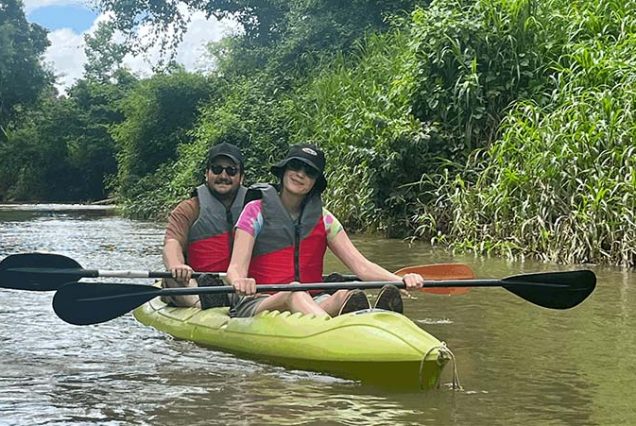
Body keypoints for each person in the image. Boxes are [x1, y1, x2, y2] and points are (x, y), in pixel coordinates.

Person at [226, 143, 424, 318]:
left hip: (312, 301)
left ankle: (376, 324)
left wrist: (401, 280)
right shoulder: (254, 211)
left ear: (315, 182)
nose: (300, 174)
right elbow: (235, 268)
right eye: (295, 166)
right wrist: (240, 281)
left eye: (309, 172)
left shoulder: (325, 219)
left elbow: (362, 267)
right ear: (284, 170)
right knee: (294, 291)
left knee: (345, 294)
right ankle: (334, 332)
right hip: (258, 302)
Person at [162, 141, 247, 308]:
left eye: (231, 171)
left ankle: (225, 301)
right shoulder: (189, 209)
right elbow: (172, 244)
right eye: (217, 169)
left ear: (241, 177)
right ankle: (204, 304)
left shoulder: (254, 209)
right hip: (196, 283)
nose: (223, 176)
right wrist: (176, 265)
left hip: (240, 284)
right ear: (206, 174)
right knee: (172, 277)